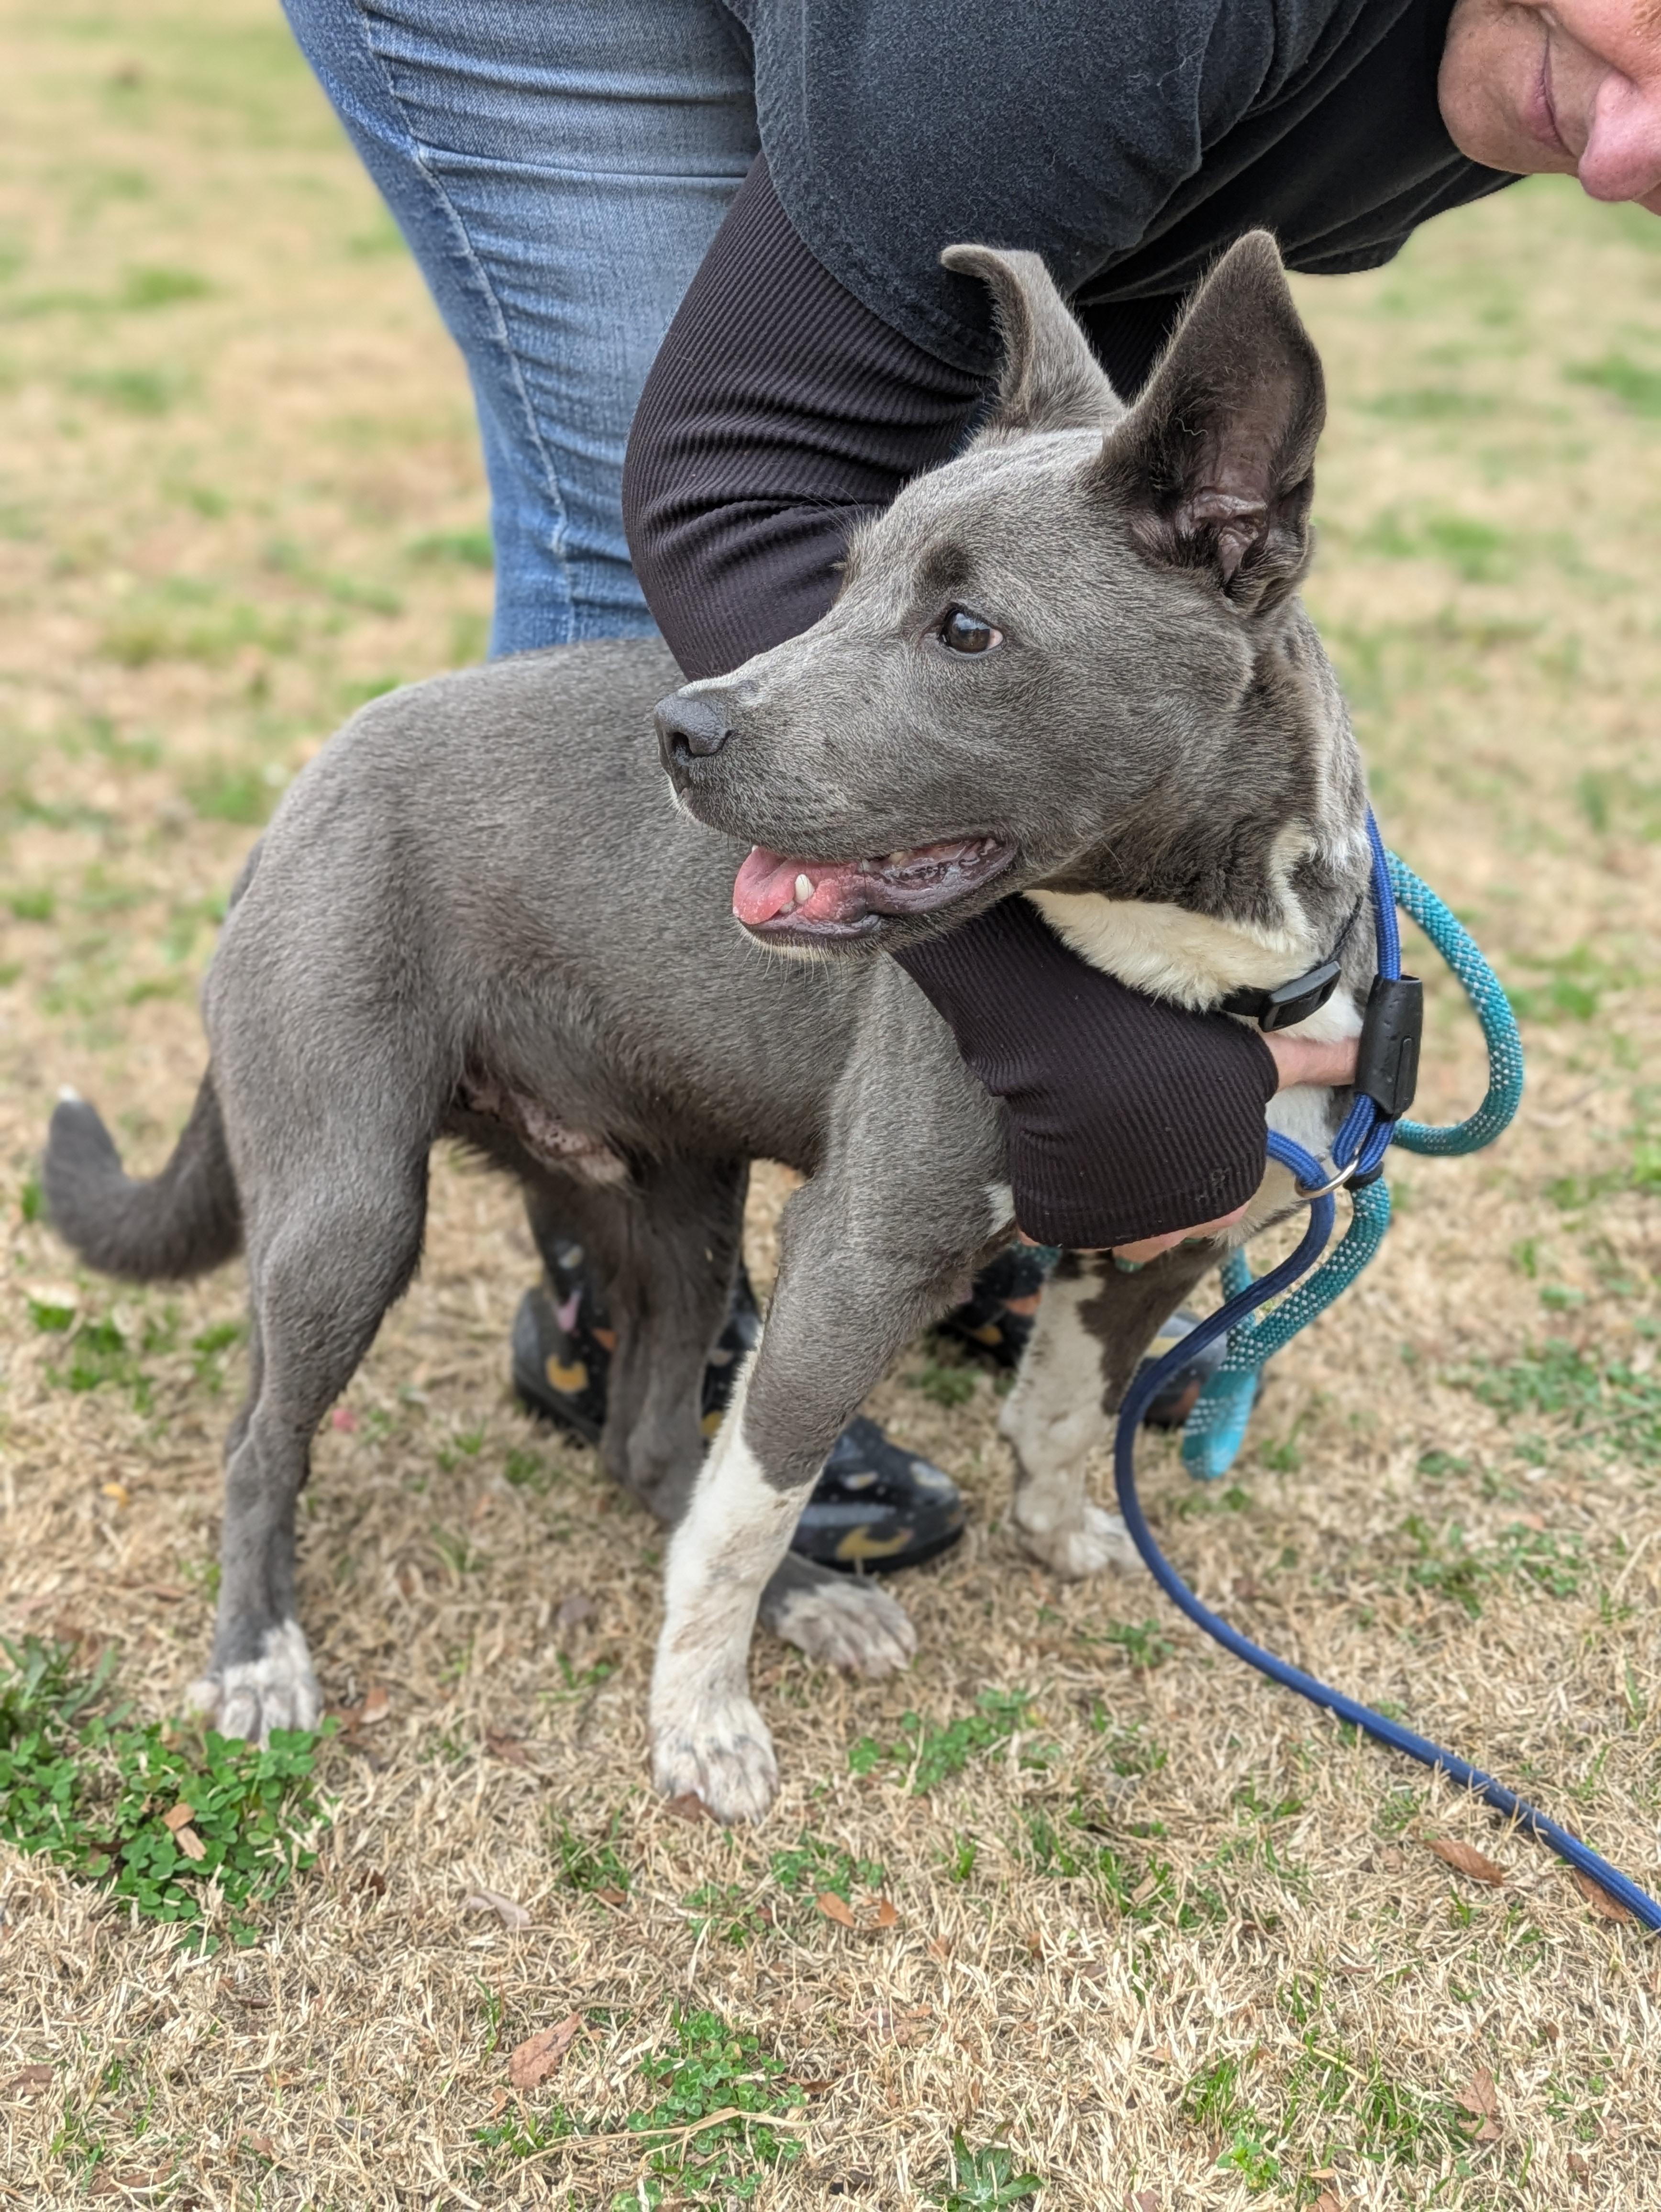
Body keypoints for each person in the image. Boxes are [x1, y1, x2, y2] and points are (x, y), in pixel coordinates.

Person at [281, 0, 1661, 1568]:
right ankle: (645, 1305)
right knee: (675, 594)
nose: (1630, 154)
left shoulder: (1576, 85)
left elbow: (1090, 439)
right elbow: (739, 466)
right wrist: (1083, 1062)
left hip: (978, 90)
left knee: (1024, 554)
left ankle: (971, 1179)